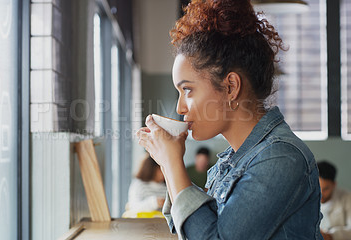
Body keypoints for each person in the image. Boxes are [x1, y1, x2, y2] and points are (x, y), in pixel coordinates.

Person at [136, 0, 323, 239]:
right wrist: (166, 161)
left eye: (188, 90)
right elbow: (192, 227)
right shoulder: (233, 159)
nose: (180, 107)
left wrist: (172, 164)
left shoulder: (281, 157)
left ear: (231, 86)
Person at [318, 161, 351, 240]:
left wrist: (330, 236)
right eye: (318, 188)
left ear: (334, 185)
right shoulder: (302, 200)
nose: (321, 193)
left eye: (326, 189)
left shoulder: (347, 198)